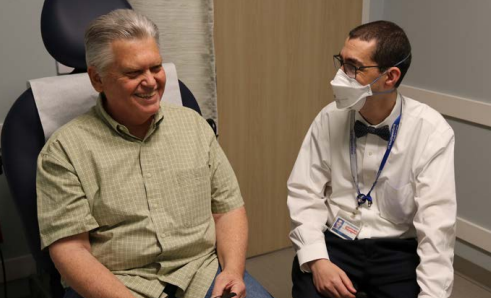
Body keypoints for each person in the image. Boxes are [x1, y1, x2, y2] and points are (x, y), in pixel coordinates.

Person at [37, 9, 271, 298]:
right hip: (116, 283)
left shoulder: (193, 126)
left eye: (156, 68)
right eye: (134, 72)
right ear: (97, 79)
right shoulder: (63, 152)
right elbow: (71, 250)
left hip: (201, 272)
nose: (150, 82)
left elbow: (228, 210)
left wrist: (232, 272)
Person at [287, 20, 456, 298]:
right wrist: (317, 260)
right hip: (335, 243)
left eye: (353, 67)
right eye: (341, 62)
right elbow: (304, 193)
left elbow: (437, 227)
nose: (341, 75)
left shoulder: (432, 132)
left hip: (397, 250)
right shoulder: (328, 117)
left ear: (390, 77)